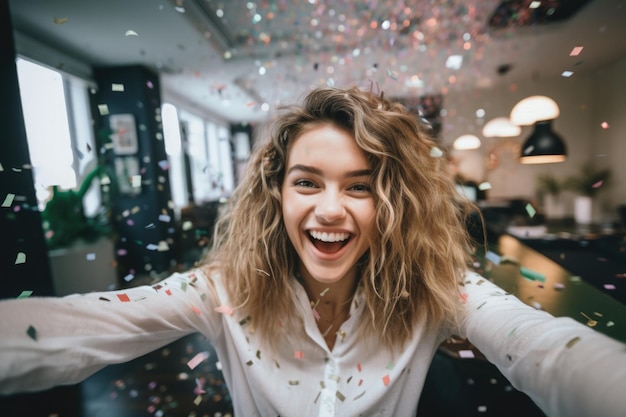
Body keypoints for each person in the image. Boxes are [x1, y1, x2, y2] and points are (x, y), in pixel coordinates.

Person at [1, 86, 625, 417]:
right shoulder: (221, 291)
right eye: (308, 182)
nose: (330, 209)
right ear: (277, 195)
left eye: (361, 187)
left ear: (393, 203)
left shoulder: (438, 289)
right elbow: (76, 329)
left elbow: (546, 352)